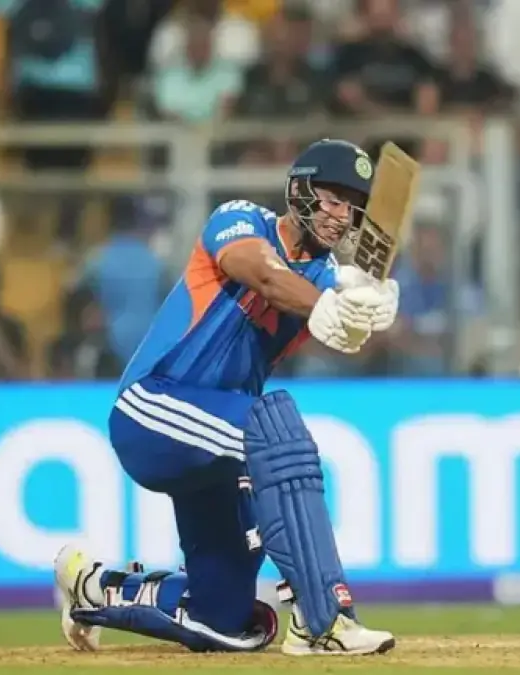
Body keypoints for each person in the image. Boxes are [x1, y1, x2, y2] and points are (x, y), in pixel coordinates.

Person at [53, 140, 400, 655]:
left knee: (225, 618)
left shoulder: (326, 278)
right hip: (153, 408)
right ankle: (324, 618)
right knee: (277, 429)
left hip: (219, 441)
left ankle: (93, 586)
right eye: (332, 199)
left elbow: (346, 336)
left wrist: (368, 309)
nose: (341, 215)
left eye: (352, 206)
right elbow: (260, 271)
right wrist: (329, 304)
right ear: (299, 190)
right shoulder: (241, 219)